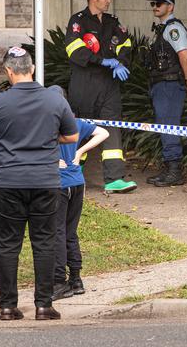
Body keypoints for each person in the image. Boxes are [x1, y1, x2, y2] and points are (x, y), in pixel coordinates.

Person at [0, 47, 79, 321]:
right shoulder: (55, 100)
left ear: (8, 71)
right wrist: (50, 137)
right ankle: (44, 305)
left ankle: (7, 306)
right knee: (44, 243)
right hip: (44, 181)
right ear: (32, 69)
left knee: (7, 245)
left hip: (8, 182)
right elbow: (72, 135)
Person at [64, 0, 136, 194]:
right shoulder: (78, 21)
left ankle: (114, 178)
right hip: (84, 84)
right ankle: (71, 172)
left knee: (112, 127)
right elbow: (73, 50)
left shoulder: (113, 21)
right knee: (82, 130)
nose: (109, 0)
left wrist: (121, 62)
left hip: (109, 85)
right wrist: (102, 61)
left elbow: (126, 44)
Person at [48, 86, 110, 301]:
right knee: (70, 231)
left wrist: (53, 159)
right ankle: (76, 279)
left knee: (57, 232)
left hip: (58, 184)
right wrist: (80, 151)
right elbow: (104, 132)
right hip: (77, 182)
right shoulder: (74, 123)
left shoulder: (46, 124)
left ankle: (59, 281)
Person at [143, 0, 187, 187]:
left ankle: (174, 172)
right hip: (162, 84)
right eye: (153, 3)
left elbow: (185, 56)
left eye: (160, 3)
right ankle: (168, 168)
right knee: (164, 125)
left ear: (170, 7)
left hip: (170, 84)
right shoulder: (163, 28)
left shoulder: (173, 29)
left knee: (169, 125)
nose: (155, 6)